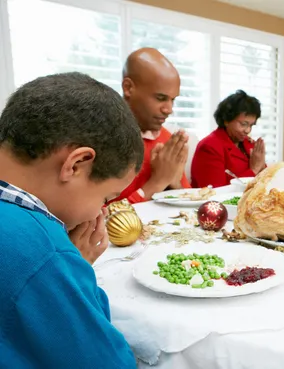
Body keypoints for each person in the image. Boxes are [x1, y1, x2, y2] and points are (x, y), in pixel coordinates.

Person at [0, 72, 143, 367]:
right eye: (105, 197)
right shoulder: (43, 253)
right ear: (76, 164)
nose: (100, 212)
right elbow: (108, 361)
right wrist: (73, 268)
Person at [111, 47, 191, 204]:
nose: (169, 110)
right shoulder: (101, 138)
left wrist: (174, 183)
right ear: (128, 88)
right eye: (161, 98)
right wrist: (157, 183)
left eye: (172, 100)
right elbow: (99, 219)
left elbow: (190, 204)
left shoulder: (168, 140)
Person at [191, 90, 265, 188]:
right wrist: (254, 169)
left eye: (251, 125)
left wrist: (262, 166)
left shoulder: (249, 143)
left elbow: (265, 179)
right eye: (243, 124)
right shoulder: (209, 147)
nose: (248, 130)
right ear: (226, 120)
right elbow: (215, 192)